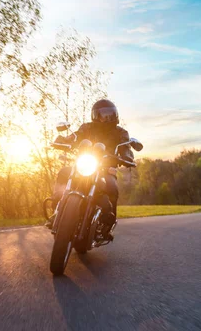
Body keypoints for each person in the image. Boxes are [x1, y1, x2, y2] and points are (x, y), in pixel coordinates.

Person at [47, 99, 135, 237]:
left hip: (106, 169)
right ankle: (57, 210)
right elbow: (74, 137)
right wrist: (62, 141)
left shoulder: (121, 132)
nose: (106, 118)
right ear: (95, 116)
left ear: (115, 115)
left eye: (110, 114)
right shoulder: (87, 128)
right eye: (102, 114)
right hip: (84, 165)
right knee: (64, 173)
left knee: (111, 186)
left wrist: (127, 157)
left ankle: (108, 223)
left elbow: (126, 147)